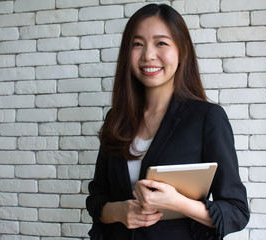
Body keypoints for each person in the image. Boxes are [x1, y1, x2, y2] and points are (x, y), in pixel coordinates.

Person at [86, 3, 249, 240]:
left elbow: (237, 211)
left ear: (182, 51)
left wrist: (178, 203)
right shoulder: (117, 117)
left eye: (161, 43)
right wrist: (119, 211)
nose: (148, 55)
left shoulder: (206, 118)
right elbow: (97, 197)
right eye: (138, 44)